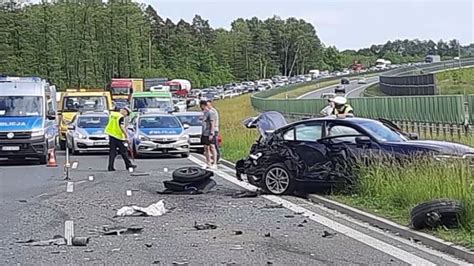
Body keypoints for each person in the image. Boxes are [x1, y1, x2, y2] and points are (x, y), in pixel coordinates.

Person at [105, 106, 137, 171]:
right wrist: (126, 137)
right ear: (124, 111)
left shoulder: (112, 114)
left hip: (111, 135)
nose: (125, 116)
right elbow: (122, 127)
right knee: (124, 151)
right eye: (126, 114)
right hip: (117, 136)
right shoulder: (120, 117)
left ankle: (110, 167)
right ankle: (128, 165)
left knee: (112, 152)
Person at [200, 100, 217, 169]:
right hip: (204, 133)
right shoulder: (204, 113)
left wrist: (211, 133)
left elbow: (212, 123)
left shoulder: (211, 113)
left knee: (212, 147)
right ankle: (208, 163)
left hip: (209, 132)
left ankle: (215, 163)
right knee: (206, 148)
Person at [207, 99, 220, 164]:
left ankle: (217, 158)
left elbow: (212, 121)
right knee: (212, 145)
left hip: (214, 130)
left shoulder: (212, 111)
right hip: (212, 129)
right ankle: (213, 158)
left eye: (207, 104)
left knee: (214, 145)